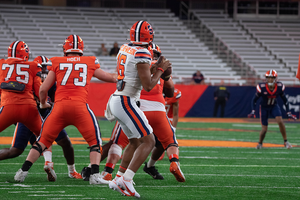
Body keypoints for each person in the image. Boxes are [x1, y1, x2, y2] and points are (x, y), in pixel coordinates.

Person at [14, 34, 117, 184]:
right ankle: (94, 175)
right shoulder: (89, 61)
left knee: (42, 141)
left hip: (59, 108)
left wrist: (43, 104)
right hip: (80, 108)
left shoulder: (56, 61)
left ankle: (22, 172)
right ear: (81, 48)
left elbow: (43, 90)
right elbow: (110, 77)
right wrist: (122, 76)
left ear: (65, 49)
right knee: (95, 142)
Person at [105, 21, 171, 198]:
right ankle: (127, 179)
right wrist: (160, 70)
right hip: (126, 100)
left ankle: (118, 177)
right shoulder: (142, 52)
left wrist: (154, 68)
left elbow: (135, 70)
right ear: (150, 36)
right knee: (149, 142)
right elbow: (148, 85)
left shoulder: (125, 47)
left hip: (119, 98)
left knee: (134, 142)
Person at [0, 55, 82, 181]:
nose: (44, 71)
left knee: (61, 143)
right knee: (23, 148)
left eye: (46, 68)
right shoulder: (32, 78)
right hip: (33, 115)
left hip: (40, 115)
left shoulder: (47, 81)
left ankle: (65, 169)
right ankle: (49, 164)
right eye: (42, 68)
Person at [0, 41, 43, 150]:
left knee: (18, 147)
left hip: (7, 106)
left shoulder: (1, 64)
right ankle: (48, 162)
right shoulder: (33, 66)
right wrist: (44, 102)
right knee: (44, 136)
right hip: (28, 107)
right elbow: (39, 89)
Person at [248, 70, 296, 149]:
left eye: (272, 78)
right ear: (266, 78)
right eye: (268, 78)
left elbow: (285, 100)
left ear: (275, 78)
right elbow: (254, 100)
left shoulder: (279, 87)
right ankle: (260, 143)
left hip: (274, 106)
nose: (270, 80)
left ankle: (286, 141)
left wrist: (288, 111)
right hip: (264, 108)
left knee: (280, 121)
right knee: (264, 130)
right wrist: (253, 110)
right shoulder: (262, 87)